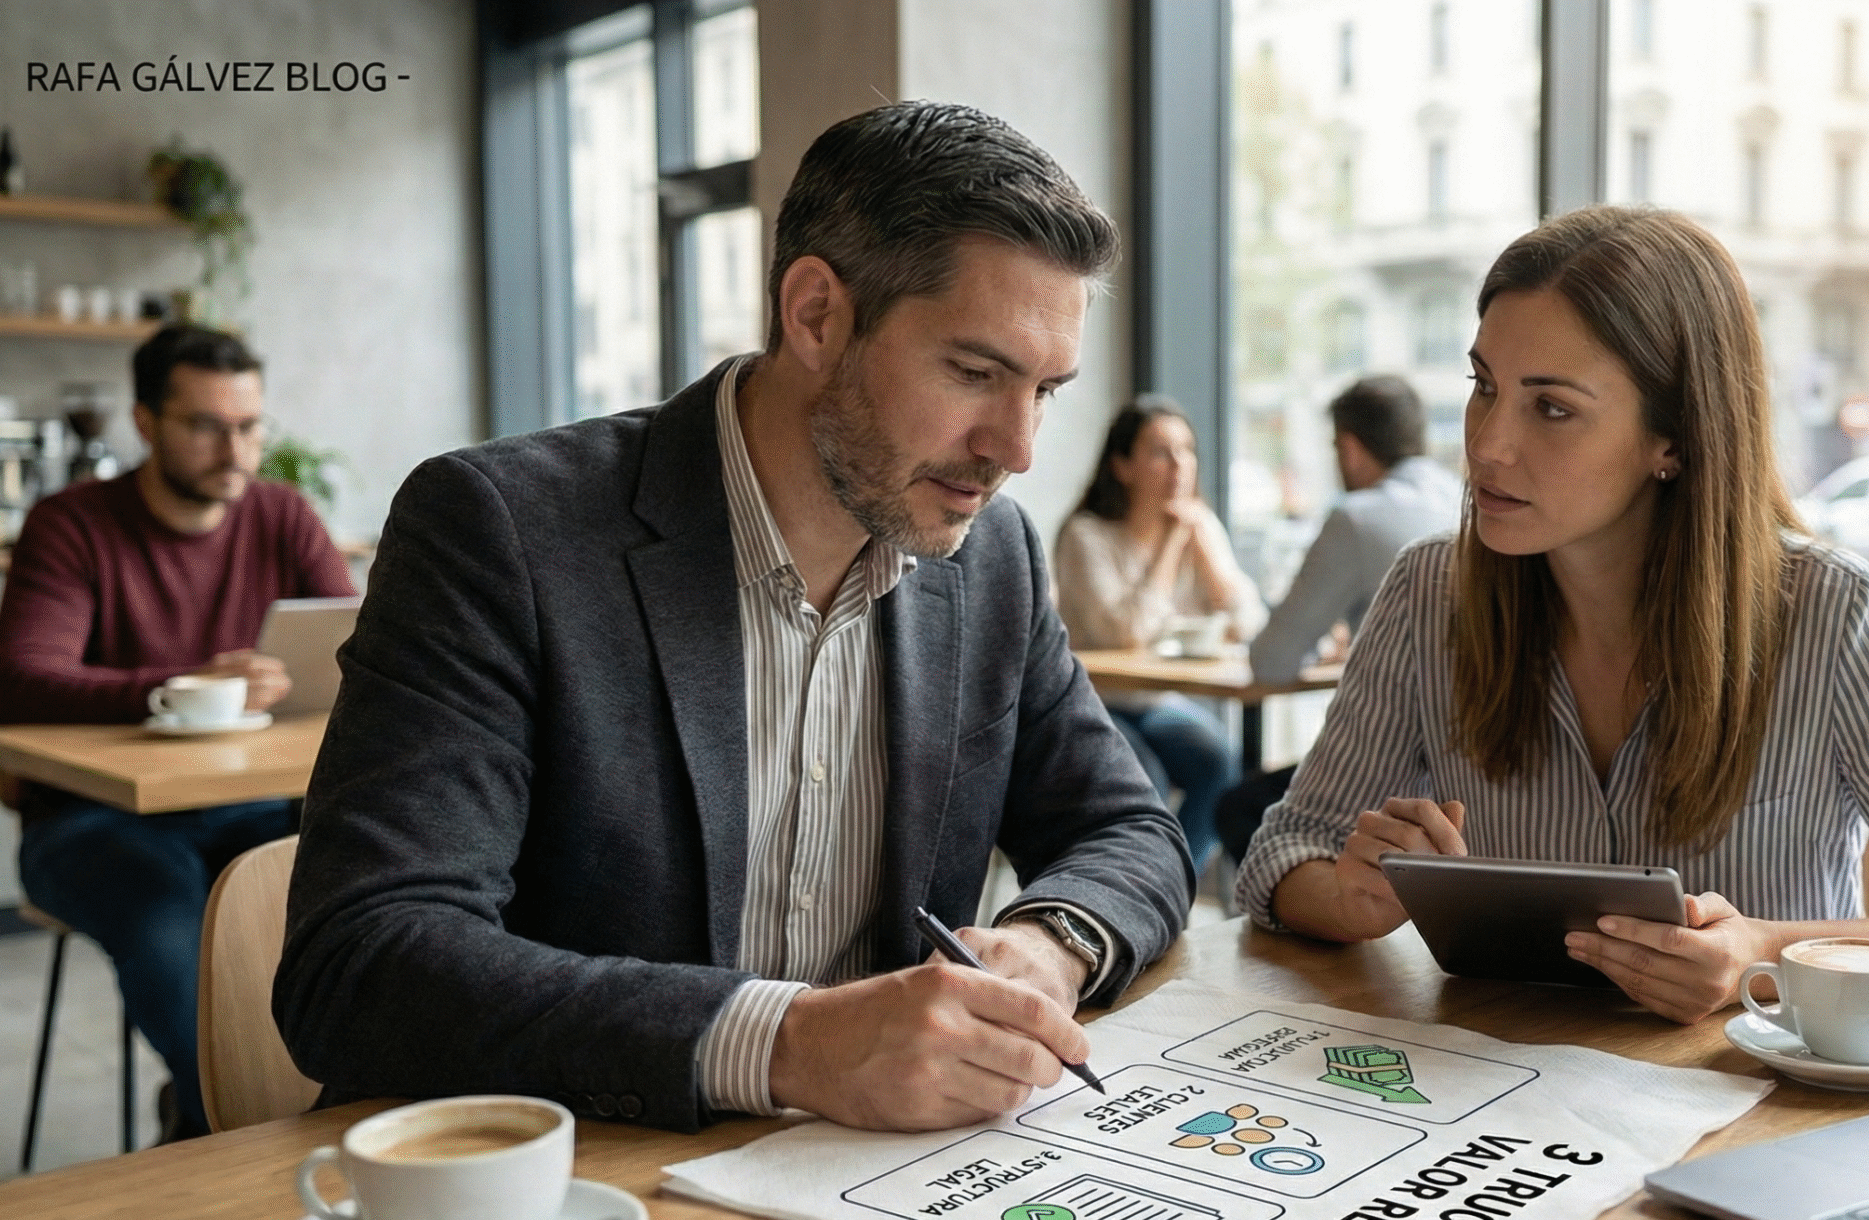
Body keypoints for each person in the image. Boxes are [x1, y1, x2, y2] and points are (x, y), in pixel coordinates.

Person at [278, 102, 1191, 1135]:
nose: (1016, 449)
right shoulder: (501, 531)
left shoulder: (992, 561)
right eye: (975, 373)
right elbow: (361, 959)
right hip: (566, 1172)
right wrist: (788, 1043)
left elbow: (1128, 828)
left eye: (1046, 391)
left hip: (858, 1176)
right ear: (816, 315)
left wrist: (1049, 943)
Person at [1236, 207, 1869, 1019]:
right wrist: (1347, 897)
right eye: (1483, 387)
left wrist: (1765, 953)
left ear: (1672, 438)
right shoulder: (1430, 593)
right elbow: (1283, 851)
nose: (1488, 443)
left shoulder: (1832, 613)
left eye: (1552, 407)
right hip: (1493, 1086)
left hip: (1745, 1097)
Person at [0, 323, 354, 1139]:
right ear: (146, 422)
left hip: (259, 806)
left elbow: (355, 644)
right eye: (207, 426)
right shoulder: (72, 524)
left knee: (362, 907)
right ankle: (246, 1142)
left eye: (250, 426)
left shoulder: (282, 515)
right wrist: (190, 686)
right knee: (167, 931)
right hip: (94, 820)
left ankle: (214, 1127)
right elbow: (21, 681)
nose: (235, 450)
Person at [1218, 377, 1462, 863]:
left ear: (1349, 449)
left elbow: (1271, 663)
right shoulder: (1465, 499)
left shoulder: (1358, 518)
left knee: (1239, 809)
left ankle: (1316, 907)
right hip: (1470, 780)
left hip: (1401, 779)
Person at [1054, 396, 1264, 877]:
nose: (1179, 466)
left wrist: (1206, 556)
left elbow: (1250, 624)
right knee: (1144, 779)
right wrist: (1171, 545)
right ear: (1122, 466)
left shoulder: (1198, 527)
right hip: (1093, 701)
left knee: (1219, 765)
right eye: (1160, 452)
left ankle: (1168, 885)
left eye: (1186, 451)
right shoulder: (1086, 536)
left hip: (1157, 701)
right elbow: (1126, 634)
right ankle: (1145, 889)